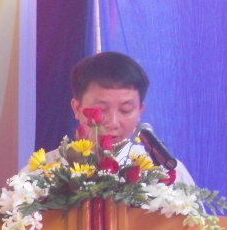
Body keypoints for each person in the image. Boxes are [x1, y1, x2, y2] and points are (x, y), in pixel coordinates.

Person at [66, 51, 196, 185]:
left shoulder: (166, 172)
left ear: (140, 111)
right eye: (101, 109)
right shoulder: (52, 170)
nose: (113, 123)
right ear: (77, 108)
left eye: (125, 110)